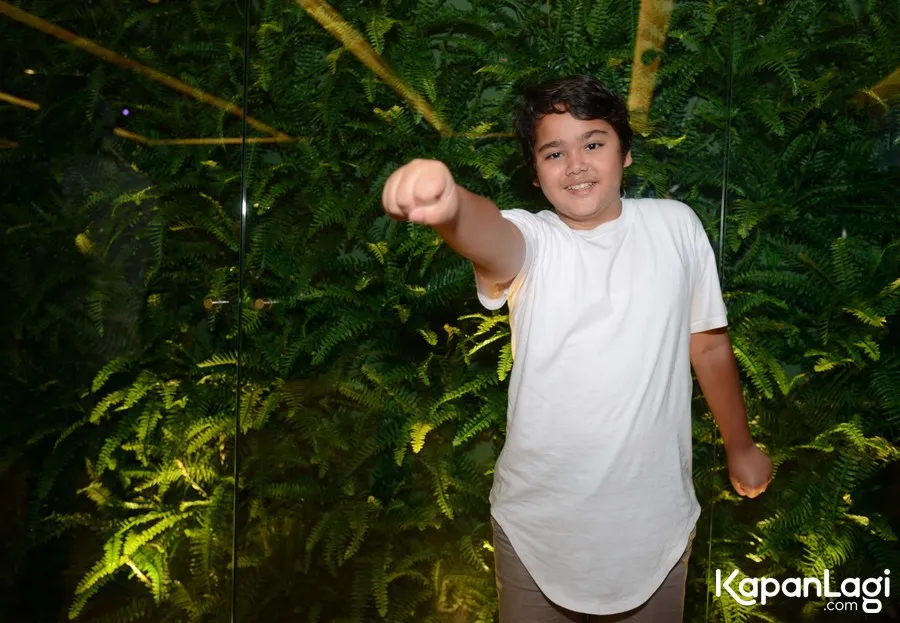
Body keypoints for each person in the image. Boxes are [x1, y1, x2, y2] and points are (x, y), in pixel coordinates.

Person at [381, 74, 773, 622]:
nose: (576, 165)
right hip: (536, 533)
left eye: (593, 143)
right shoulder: (536, 240)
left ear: (626, 152)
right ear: (535, 175)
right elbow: (490, 235)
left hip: (656, 527)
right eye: (554, 153)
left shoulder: (677, 227)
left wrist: (740, 446)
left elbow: (707, 347)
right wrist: (450, 205)